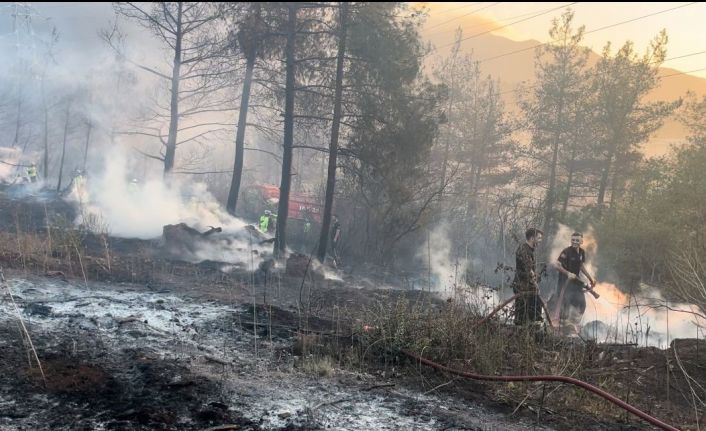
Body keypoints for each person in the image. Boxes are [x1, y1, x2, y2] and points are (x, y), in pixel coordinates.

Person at [549, 232, 596, 327]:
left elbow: (581, 265)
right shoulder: (566, 252)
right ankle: (562, 327)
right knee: (565, 305)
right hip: (564, 284)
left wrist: (590, 278)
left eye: (577, 240)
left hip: (576, 283)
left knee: (581, 304)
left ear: (581, 241)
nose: (574, 242)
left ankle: (573, 325)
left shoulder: (582, 252)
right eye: (573, 240)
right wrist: (568, 273)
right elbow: (556, 265)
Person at [512, 227, 544, 326]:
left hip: (528, 286)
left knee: (534, 311)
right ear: (532, 238)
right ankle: (522, 334)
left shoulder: (530, 250)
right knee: (522, 316)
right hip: (522, 286)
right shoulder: (523, 249)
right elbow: (528, 269)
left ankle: (531, 331)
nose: (540, 240)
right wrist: (535, 282)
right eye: (538, 238)